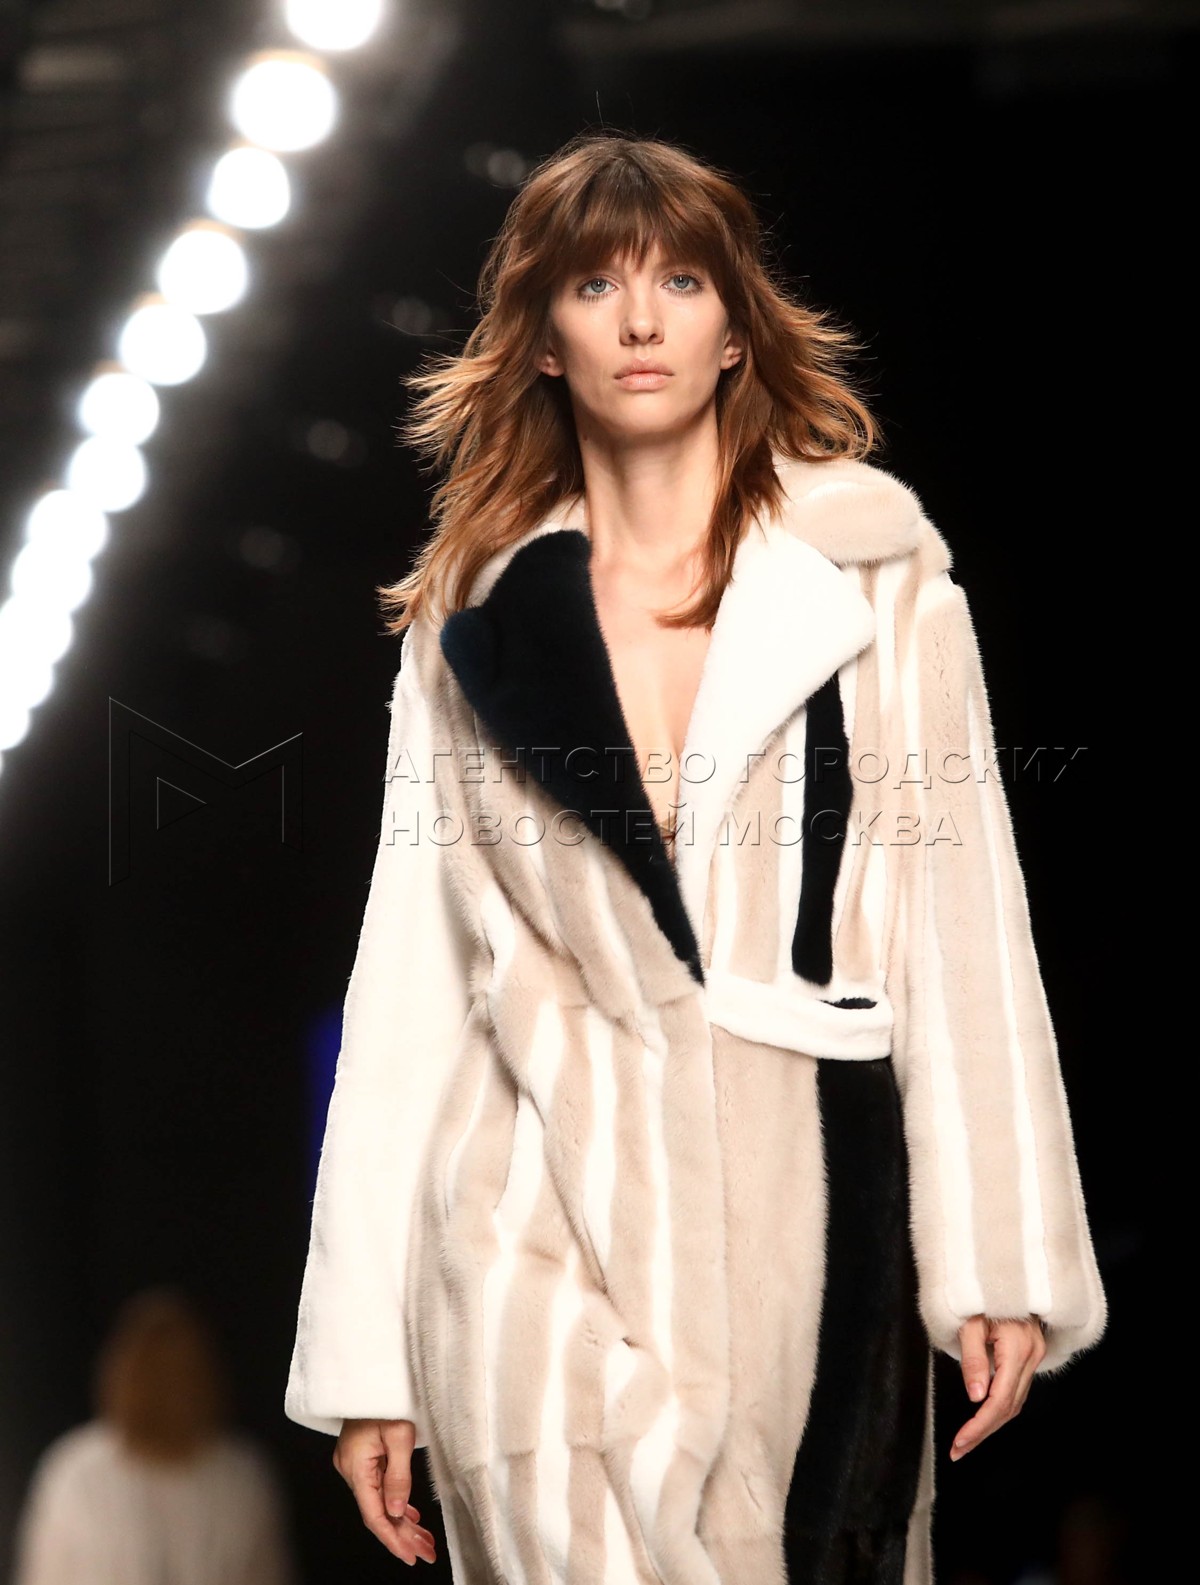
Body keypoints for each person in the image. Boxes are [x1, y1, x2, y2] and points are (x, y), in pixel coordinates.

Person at [284, 130, 1106, 1583]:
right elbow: (409, 975)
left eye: (679, 281)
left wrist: (1004, 1254)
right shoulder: (472, 626)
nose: (641, 321)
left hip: (814, 1217)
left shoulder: (877, 592)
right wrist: (368, 1361)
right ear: (544, 339)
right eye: (595, 285)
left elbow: (961, 922)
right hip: (535, 1207)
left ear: (736, 327)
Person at [13, 1286, 297, 1585]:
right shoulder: (75, 1473)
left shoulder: (242, 1478)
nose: (168, 1388)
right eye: (154, 1371)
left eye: (182, 1372)